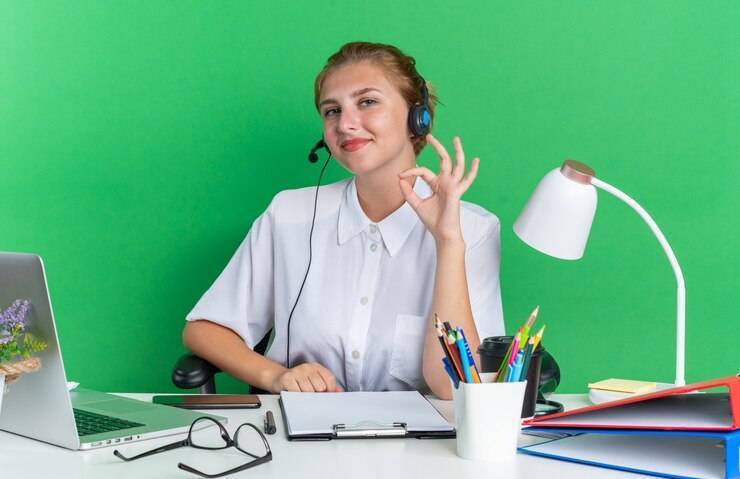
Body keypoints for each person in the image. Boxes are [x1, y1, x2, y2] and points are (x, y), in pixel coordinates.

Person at [183, 41, 503, 400]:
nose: (346, 124)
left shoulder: (472, 229)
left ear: (418, 117)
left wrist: (447, 242)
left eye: (367, 102)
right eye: (332, 111)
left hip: (421, 433)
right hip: (300, 426)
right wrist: (276, 376)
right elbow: (205, 328)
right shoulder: (290, 214)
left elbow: (452, 388)